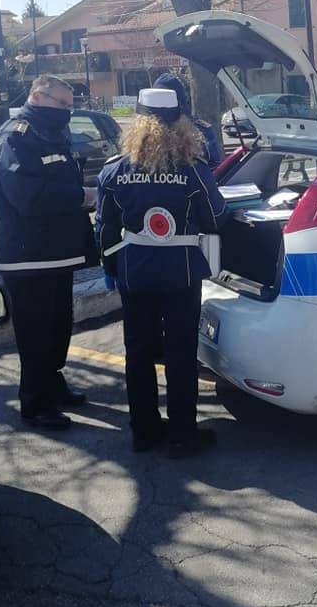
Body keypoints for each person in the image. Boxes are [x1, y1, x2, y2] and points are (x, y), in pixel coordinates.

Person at [97, 87, 226, 458]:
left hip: (133, 273)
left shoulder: (114, 171)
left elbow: (104, 228)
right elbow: (216, 218)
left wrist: (111, 268)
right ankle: (183, 435)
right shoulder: (192, 171)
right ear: (179, 124)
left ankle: (144, 431)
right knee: (180, 352)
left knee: (137, 353)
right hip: (181, 274)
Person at [0, 74, 96, 430]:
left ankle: (52, 383)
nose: (68, 112)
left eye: (71, 105)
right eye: (62, 104)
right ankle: (35, 403)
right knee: (35, 333)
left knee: (57, 327)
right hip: (28, 254)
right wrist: (82, 197)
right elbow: (27, 196)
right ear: (38, 97)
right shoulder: (17, 137)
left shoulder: (50, 132)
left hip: (57, 252)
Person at [153, 72, 223, 169]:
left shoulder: (201, 131)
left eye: (166, 98)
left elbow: (214, 167)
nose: (161, 104)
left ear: (179, 101)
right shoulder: (142, 131)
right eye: (157, 98)